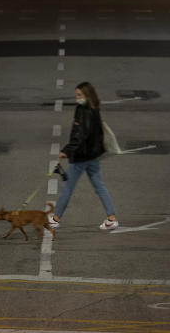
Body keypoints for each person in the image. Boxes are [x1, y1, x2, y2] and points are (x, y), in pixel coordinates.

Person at [49, 82, 118, 231]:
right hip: (93, 156)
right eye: (76, 95)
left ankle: (55, 219)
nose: (77, 98)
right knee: (99, 186)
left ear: (87, 95)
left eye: (79, 95)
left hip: (81, 157)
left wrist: (67, 150)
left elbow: (80, 135)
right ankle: (111, 219)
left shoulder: (82, 110)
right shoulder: (95, 109)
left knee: (67, 187)